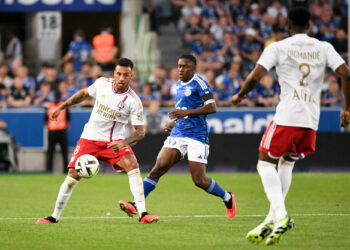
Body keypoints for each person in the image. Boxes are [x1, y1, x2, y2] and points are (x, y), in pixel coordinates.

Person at [231, 7, 350, 245]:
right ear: (310, 25)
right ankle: (271, 220)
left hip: (287, 116)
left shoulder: (278, 46)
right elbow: (345, 72)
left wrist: (240, 95)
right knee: (286, 163)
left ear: (288, 26)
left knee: (264, 162)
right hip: (310, 121)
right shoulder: (323, 47)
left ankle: (282, 216)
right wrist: (347, 108)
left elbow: (255, 76)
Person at [36, 58, 158, 224]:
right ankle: (53, 216)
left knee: (132, 164)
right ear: (114, 73)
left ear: (132, 75)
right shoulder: (102, 83)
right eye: (118, 74)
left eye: (126, 75)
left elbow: (140, 132)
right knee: (72, 175)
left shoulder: (133, 101)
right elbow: (83, 94)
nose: (121, 78)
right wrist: (62, 107)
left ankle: (143, 213)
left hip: (113, 143)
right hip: (90, 139)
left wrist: (124, 143)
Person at [119, 55, 237, 219]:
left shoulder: (200, 83)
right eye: (179, 66)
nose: (180, 69)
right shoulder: (178, 85)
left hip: (197, 135)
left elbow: (212, 107)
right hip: (178, 133)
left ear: (193, 68)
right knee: (157, 169)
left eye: (185, 67)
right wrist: (173, 123)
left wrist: (185, 113)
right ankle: (135, 204)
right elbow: (181, 109)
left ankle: (227, 197)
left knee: (199, 180)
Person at [45, 91, 70, 173]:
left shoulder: (49, 106)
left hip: (59, 131)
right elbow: (68, 119)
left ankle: (62, 170)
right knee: (52, 153)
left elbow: (68, 118)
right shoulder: (62, 105)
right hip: (55, 131)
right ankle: (49, 170)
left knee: (62, 153)